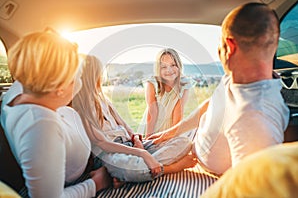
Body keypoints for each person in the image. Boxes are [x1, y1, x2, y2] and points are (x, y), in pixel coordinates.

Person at [147, 2, 290, 176]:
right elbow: (212, 105)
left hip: (203, 170)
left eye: (219, 49)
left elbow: (247, 185)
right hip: (192, 143)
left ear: (230, 47)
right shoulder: (237, 79)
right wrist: (168, 133)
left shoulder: (254, 117)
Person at [1, 29, 112, 198]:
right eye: (76, 79)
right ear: (59, 89)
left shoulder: (23, 86)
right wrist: (97, 183)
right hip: (87, 174)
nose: (79, 83)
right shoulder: (40, 126)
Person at [72, 55, 197, 183]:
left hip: (129, 144)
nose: (102, 76)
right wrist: (143, 154)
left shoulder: (103, 99)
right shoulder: (82, 107)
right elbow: (103, 144)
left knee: (184, 142)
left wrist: (136, 139)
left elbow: (124, 125)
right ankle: (170, 168)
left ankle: (135, 172)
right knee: (128, 168)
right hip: (110, 154)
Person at [138, 48, 194, 137]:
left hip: (172, 127)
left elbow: (178, 114)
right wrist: (149, 137)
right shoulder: (152, 83)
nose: (169, 70)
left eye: (173, 65)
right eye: (164, 67)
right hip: (153, 126)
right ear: (158, 69)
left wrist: (171, 137)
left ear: (179, 66)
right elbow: (152, 111)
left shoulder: (184, 85)